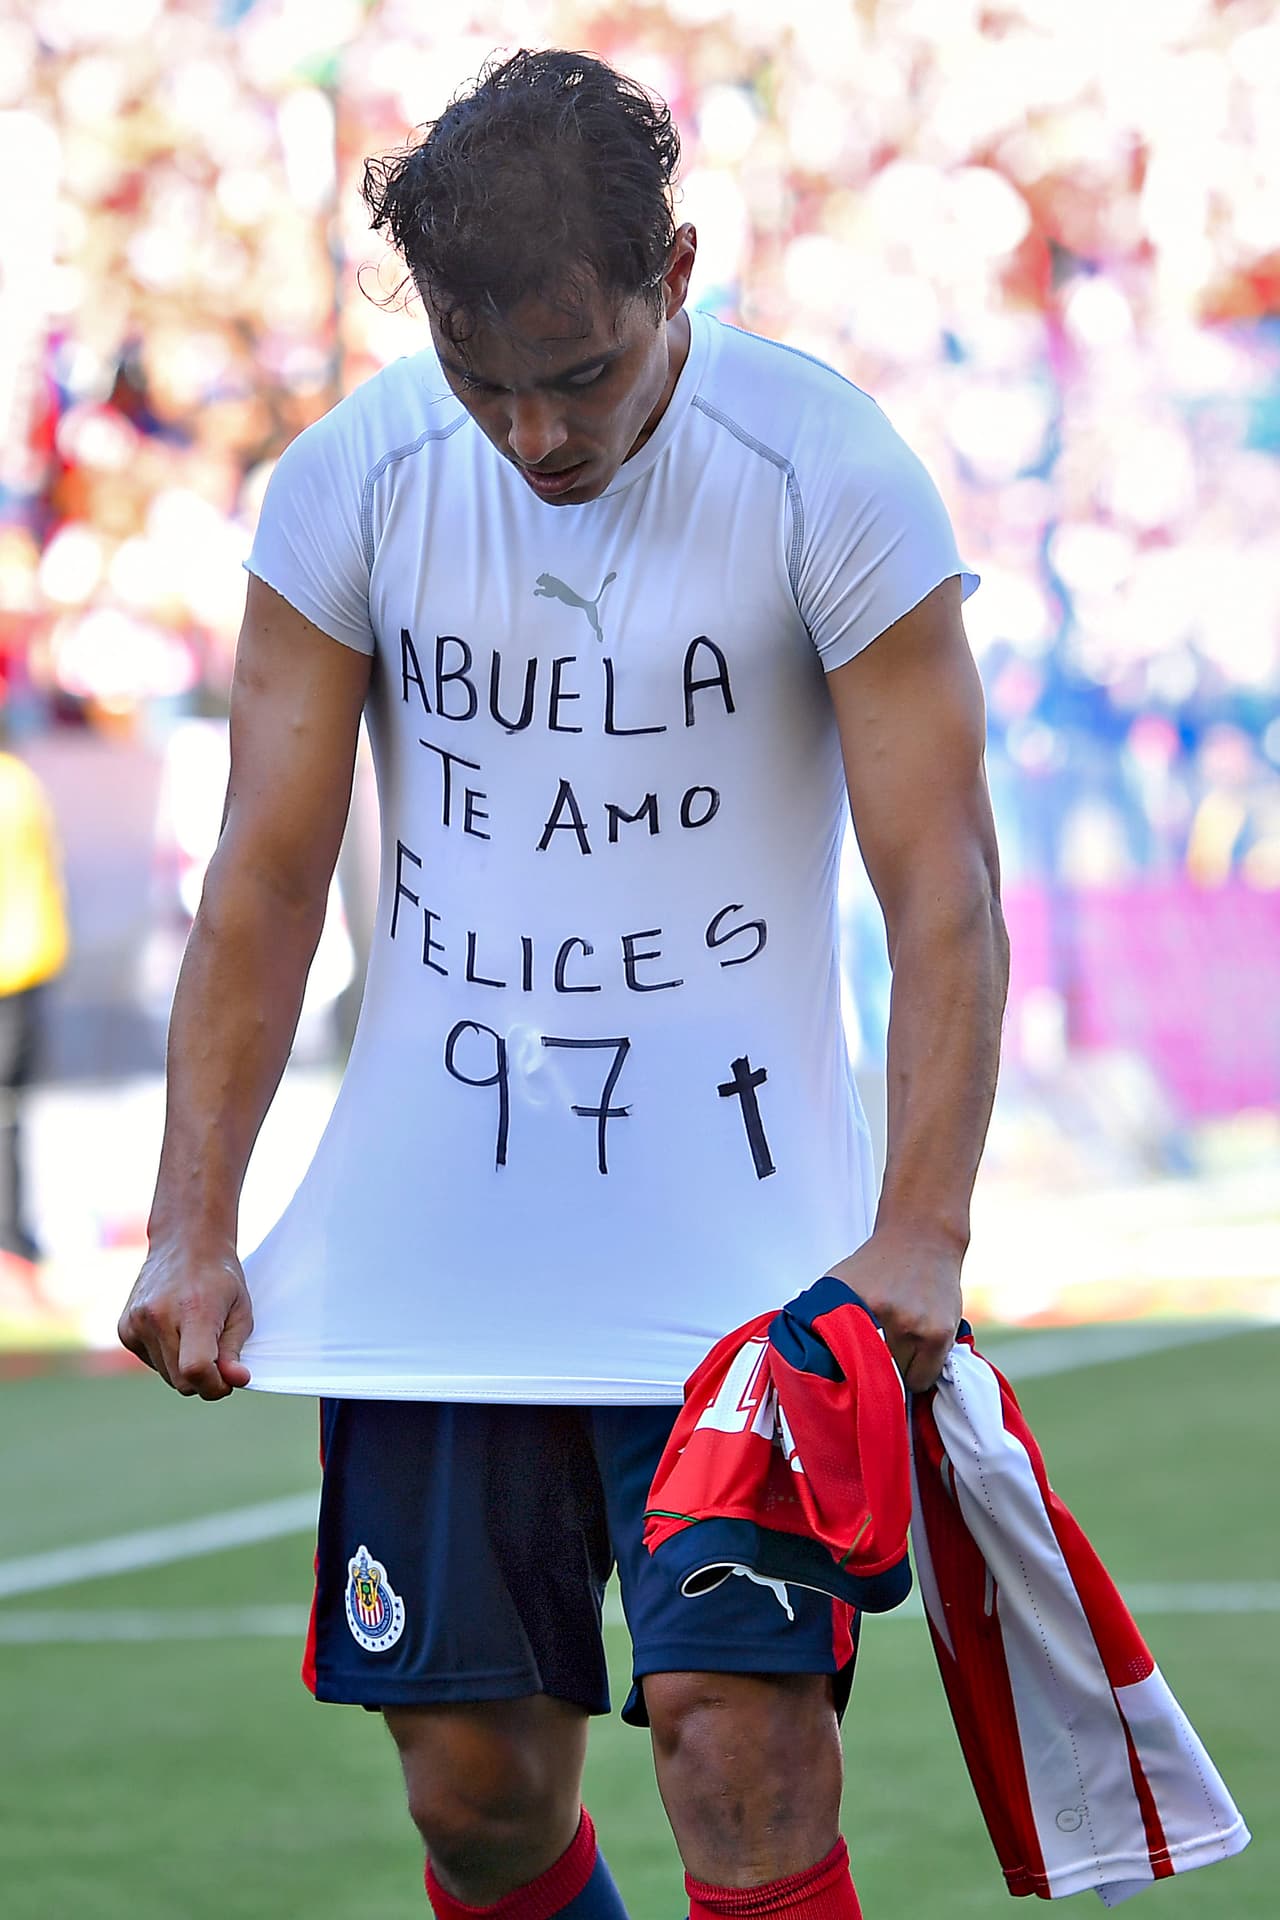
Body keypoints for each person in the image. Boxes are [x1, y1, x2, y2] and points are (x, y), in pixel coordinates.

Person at [119, 48, 1009, 1920]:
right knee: (477, 1797)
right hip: (448, 1234)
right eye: (483, 380)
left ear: (676, 269)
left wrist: (919, 1231)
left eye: (581, 373)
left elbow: (941, 887)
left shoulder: (823, 467)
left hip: (744, 1247)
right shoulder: (350, 481)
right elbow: (265, 880)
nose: (534, 436)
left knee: (738, 1745)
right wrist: (191, 1221)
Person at [0, 730, 69, 1263]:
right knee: (10, 1113)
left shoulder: (16, 788)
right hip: (25, 967)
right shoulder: (22, 785)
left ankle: (10, 1236)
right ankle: (11, 1234)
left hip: (17, 968)